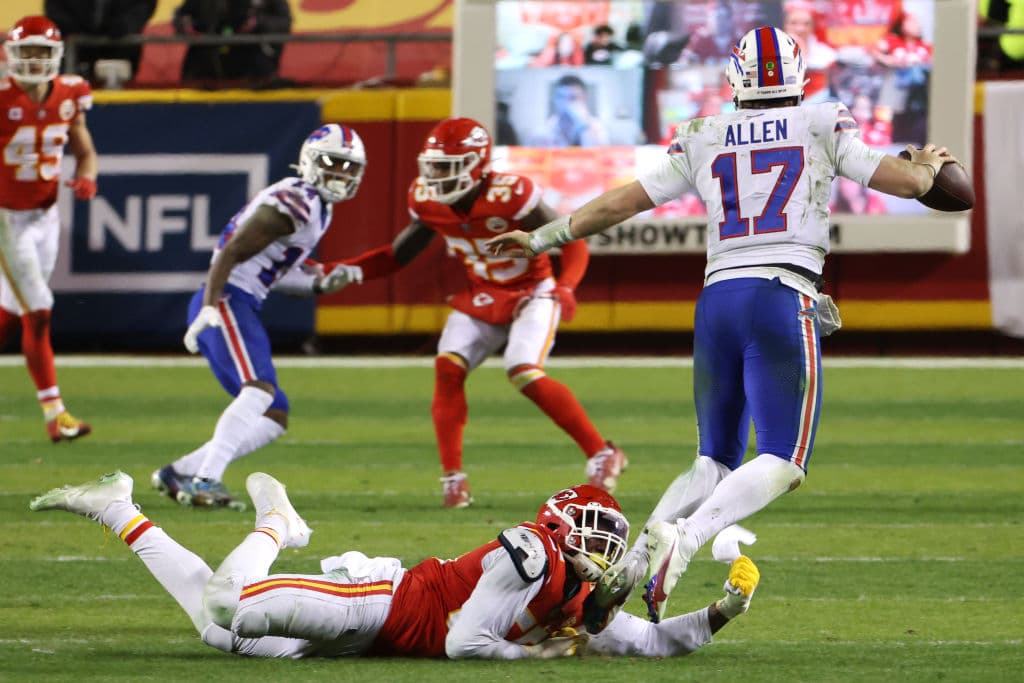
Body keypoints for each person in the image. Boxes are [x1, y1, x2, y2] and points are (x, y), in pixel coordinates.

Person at [486, 25, 958, 626]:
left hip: (717, 300)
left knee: (713, 458)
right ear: (798, 77)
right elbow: (909, 184)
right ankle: (685, 540)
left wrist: (540, 238)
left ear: (735, 79)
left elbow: (622, 202)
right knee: (785, 458)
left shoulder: (705, 133)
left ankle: (630, 568)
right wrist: (927, 164)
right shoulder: (822, 120)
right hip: (781, 294)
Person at [29, 470, 762, 659]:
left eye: (611, 542)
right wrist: (543, 654)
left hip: (371, 641)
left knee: (216, 632)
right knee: (225, 607)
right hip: (373, 601)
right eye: (594, 537)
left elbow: (653, 640)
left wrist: (723, 611)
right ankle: (276, 523)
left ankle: (118, 509)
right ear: (559, 528)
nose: (603, 554)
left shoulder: (576, 599)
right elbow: (464, 642)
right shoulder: (532, 552)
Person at [327, 117, 627, 509]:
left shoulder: (512, 194)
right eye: (434, 166)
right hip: (483, 294)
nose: (437, 177)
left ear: (476, 164)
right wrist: (349, 270)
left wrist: (566, 285)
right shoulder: (426, 198)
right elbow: (397, 255)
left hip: (532, 291)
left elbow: (572, 238)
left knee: (522, 370)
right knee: (447, 368)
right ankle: (453, 479)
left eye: (447, 167)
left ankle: (602, 452)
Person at [150, 124, 367, 509]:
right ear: (311, 161)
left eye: (349, 167)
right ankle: (206, 480)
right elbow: (231, 252)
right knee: (258, 391)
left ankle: (180, 472)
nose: (341, 174)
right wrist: (211, 304)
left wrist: (320, 283)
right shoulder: (296, 202)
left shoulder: (318, 206)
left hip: (240, 301)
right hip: (227, 299)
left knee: (274, 413)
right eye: (333, 163)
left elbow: (277, 272)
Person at [0, 16, 98, 443]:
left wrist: (87, 176)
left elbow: (84, 148)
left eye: (42, 51)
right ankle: (55, 414)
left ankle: (55, 415)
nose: (35, 60)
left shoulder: (71, 93)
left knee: (12, 310)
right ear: (11, 55)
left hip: (45, 216)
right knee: (39, 309)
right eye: (28, 51)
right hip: (5, 218)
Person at [172, 0, 292, 85]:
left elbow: (283, 23)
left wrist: (258, 22)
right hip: (206, 67)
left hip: (252, 68)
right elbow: (182, 15)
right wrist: (185, 24)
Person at [44, 0, 158, 84]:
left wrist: (126, 24)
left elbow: (144, 5)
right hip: (74, 55)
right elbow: (55, 9)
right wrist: (76, 30)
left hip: (120, 50)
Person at [526, 74, 610, 147]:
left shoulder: (597, 128)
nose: (565, 104)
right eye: (561, 97)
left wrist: (583, 125)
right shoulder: (543, 131)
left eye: (573, 98)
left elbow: (598, 155)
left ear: (583, 100)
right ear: (555, 99)